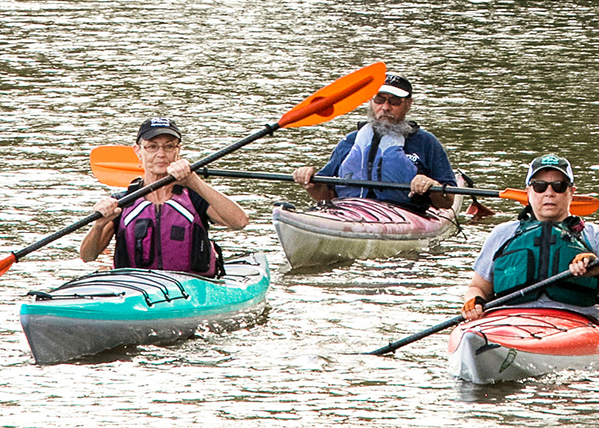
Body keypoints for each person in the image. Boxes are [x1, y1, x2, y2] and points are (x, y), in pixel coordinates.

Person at [460, 154, 599, 321]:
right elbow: (478, 287)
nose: (549, 193)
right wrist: (473, 301)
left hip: (578, 321)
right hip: (511, 322)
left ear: (571, 192)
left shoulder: (596, 236)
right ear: (528, 192)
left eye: (559, 186)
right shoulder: (502, 234)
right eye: (539, 186)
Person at [79, 117, 251, 276]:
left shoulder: (194, 197)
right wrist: (98, 225)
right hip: (136, 290)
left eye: (169, 146)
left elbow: (240, 221)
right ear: (138, 151)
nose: (161, 154)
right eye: (152, 146)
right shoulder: (123, 202)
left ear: (178, 151)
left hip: (191, 288)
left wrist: (193, 180)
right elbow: (88, 255)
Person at [291, 72, 457, 214]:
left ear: (408, 104)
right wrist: (309, 181)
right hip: (350, 211)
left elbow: (448, 201)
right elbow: (326, 193)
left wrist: (432, 184)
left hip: (405, 213)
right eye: (379, 99)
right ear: (371, 102)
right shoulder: (350, 141)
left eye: (394, 101)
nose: (385, 107)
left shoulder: (426, 142)